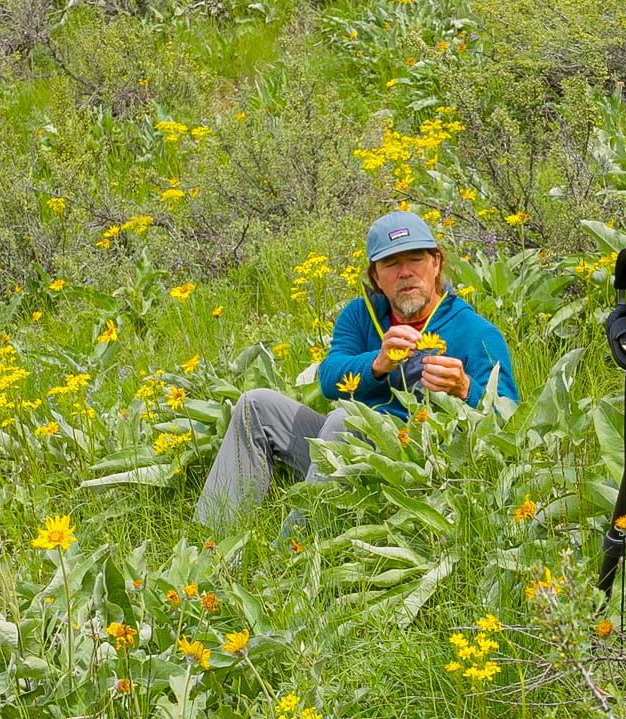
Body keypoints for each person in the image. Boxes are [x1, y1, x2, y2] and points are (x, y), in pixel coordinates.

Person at [195, 211, 519, 532]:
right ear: (376, 277)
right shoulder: (360, 315)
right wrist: (378, 363)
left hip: (420, 474)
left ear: (436, 264)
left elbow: (510, 423)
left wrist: (464, 388)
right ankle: (213, 540)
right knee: (257, 404)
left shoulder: (476, 332)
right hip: (343, 455)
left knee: (344, 420)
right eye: (391, 264)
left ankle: (292, 551)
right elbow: (329, 379)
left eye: (416, 259)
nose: (405, 272)